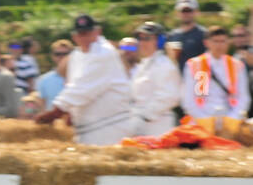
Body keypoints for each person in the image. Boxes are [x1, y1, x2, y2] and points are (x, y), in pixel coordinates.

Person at [35, 14, 133, 144]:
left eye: (88, 33)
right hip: (88, 126)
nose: (84, 37)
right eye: (81, 34)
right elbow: (72, 85)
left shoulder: (103, 53)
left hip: (109, 125)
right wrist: (70, 111)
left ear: (97, 32)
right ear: (74, 37)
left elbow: (82, 89)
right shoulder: (77, 55)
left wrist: (56, 111)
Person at [181, 26, 251, 120]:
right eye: (216, 41)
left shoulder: (237, 65)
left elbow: (244, 97)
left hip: (229, 115)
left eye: (223, 41)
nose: (219, 45)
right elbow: (188, 99)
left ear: (228, 43)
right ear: (206, 43)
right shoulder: (194, 64)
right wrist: (203, 119)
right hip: (201, 117)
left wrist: (232, 118)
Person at [128, 21, 182, 136]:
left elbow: (170, 96)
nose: (142, 43)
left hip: (158, 125)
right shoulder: (142, 65)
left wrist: (144, 116)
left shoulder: (164, 64)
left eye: (147, 39)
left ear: (160, 42)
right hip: (140, 122)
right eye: (140, 39)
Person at [168, 0, 207, 71]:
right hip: (176, 79)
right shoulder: (171, 35)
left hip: (197, 78)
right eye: (183, 11)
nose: (186, 14)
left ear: (196, 12)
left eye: (189, 10)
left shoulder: (204, 34)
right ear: (177, 13)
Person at [34, 39, 72, 107]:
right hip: (52, 117)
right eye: (57, 54)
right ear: (52, 56)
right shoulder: (43, 79)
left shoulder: (81, 77)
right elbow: (41, 105)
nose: (61, 56)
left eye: (65, 54)